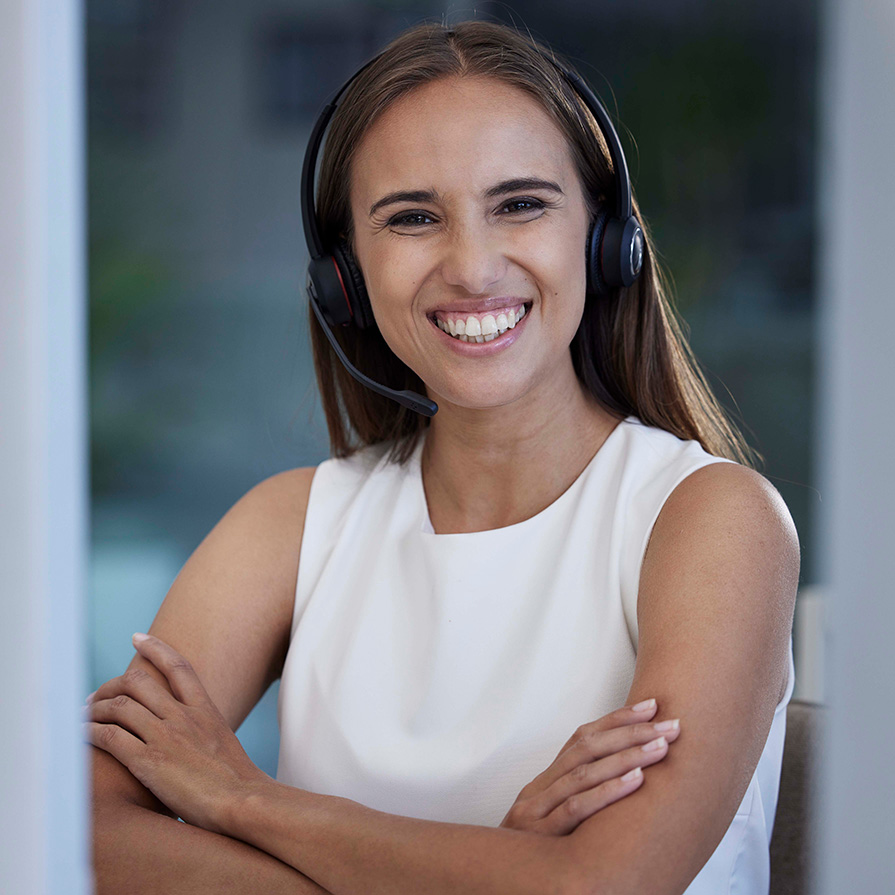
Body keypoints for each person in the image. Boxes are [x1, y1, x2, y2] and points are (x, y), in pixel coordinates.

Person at [87, 20, 799, 895]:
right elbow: (75, 827)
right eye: (412, 217)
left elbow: (599, 886)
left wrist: (243, 800)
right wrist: (486, 865)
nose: (470, 265)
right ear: (344, 276)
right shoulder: (287, 524)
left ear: (605, 239)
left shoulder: (712, 520)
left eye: (521, 204)